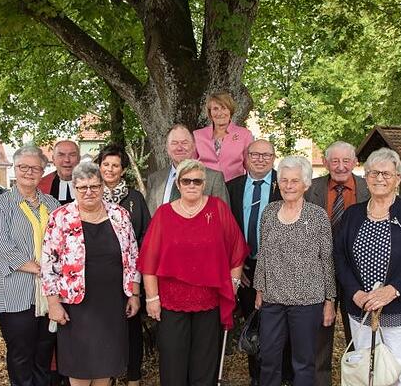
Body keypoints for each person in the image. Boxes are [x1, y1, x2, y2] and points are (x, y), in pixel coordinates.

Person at [138, 159, 248, 386]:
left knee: (205, 361)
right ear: (178, 184)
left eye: (197, 181)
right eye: (186, 180)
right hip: (170, 301)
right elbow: (149, 260)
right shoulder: (163, 214)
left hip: (209, 299)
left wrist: (234, 282)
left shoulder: (218, 209)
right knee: (172, 360)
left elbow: (237, 247)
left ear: (204, 183)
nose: (191, 185)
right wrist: (152, 298)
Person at [333, 147, 401, 386]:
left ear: (398, 178)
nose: (380, 178)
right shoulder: (353, 214)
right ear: (365, 177)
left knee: (398, 373)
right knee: (367, 374)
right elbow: (339, 257)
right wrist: (355, 293)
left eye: (387, 174)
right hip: (362, 309)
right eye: (374, 173)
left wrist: (392, 290)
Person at [42, 162, 141, 385]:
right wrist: (53, 304)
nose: (89, 192)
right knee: (79, 370)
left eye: (95, 186)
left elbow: (133, 256)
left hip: (112, 304)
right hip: (76, 307)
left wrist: (134, 294)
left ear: (103, 186)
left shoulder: (120, 215)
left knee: (105, 368)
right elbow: (49, 263)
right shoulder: (60, 217)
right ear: (74, 188)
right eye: (82, 187)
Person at [253, 156, 336, 386]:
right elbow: (264, 254)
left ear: (306, 185)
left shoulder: (317, 216)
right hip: (273, 300)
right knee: (268, 357)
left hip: (307, 301)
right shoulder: (269, 212)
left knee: (303, 362)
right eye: (284, 180)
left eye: (295, 181)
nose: (288, 186)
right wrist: (260, 288)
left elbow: (326, 260)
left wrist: (330, 300)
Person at [0, 145, 61, 386]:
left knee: (44, 351)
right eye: (23, 167)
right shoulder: (0, 205)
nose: (29, 172)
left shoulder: (52, 204)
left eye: (35, 167)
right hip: (13, 292)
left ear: (43, 170)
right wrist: (40, 268)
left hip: (48, 293)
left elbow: (63, 240)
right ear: (15, 169)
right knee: (21, 353)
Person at [225, 139, 292, 385]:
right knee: (253, 321)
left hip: (279, 267)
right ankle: (257, 375)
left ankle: (284, 375)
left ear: (274, 158)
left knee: (279, 321)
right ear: (246, 157)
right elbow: (227, 230)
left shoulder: (283, 185)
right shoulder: (232, 187)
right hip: (244, 268)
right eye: (255, 154)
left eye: (267, 155)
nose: (260, 159)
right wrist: (236, 263)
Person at [304, 140, 369, 386]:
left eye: (346, 161)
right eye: (335, 161)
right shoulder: (312, 189)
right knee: (320, 334)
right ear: (326, 162)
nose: (340, 166)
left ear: (354, 162)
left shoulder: (368, 187)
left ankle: (357, 380)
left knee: (360, 334)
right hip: (320, 270)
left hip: (357, 273)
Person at [97, 144, 151, 386]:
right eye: (106, 164)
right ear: (99, 167)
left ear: (123, 169)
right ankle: (106, 376)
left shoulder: (135, 198)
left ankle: (133, 377)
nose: (110, 169)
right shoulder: (90, 194)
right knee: (104, 329)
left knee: (131, 328)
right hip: (100, 277)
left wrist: (137, 273)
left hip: (130, 275)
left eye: (115, 165)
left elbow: (145, 236)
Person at [146, 124, 229, 215]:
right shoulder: (155, 180)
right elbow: (150, 220)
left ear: (193, 146)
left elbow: (223, 218)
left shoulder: (214, 178)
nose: (179, 148)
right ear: (167, 148)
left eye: (184, 143)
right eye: (174, 143)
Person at [193, 91, 254, 182]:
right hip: (205, 188)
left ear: (230, 110)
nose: (220, 113)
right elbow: (190, 166)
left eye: (224, 108)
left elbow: (250, 166)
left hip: (233, 188)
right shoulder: (197, 135)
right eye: (215, 109)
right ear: (210, 113)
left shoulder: (245, 134)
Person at [38, 140, 80, 205]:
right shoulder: (40, 186)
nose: (67, 160)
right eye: (61, 155)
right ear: (53, 159)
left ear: (79, 159)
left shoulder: (91, 184)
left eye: (72, 155)